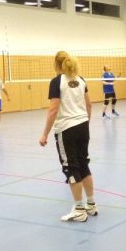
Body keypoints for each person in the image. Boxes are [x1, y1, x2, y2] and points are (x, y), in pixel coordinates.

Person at [39, 51, 96, 222]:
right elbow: (89, 105)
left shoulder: (57, 82)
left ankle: (79, 210)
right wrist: (84, 124)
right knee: (83, 164)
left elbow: (53, 109)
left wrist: (44, 134)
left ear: (56, 64)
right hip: (83, 126)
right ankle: (91, 204)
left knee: (71, 168)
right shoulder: (81, 80)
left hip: (66, 129)